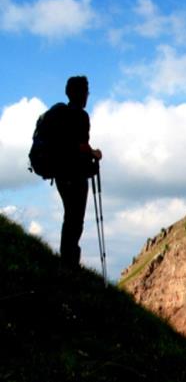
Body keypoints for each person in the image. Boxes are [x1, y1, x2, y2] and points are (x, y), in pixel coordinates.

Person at [51, 76, 102, 269]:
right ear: (80, 93)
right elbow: (80, 146)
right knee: (75, 219)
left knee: (70, 217)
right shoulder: (80, 116)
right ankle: (69, 263)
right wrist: (94, 153)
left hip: (60, 174)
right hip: (75, 175)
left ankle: (67, 259)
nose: (87, 96)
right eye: (86, 92)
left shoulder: (59, 114)